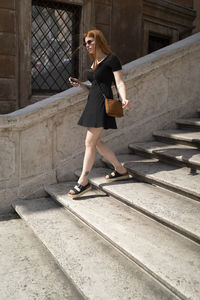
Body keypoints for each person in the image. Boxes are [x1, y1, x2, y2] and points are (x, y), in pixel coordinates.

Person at [68, 29, 130, 199]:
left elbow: (119, 81)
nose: (86, 45)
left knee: (89, 142)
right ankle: (120, 169)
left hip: (102, 104)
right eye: (85, 43)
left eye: (89, 42)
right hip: (92, 103)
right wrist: (80, 84)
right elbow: (95, 87)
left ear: (99, 41)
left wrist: (124, 98)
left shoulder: (112, 59)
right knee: (96, 142)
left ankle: (83, 180)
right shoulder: (95, 62)